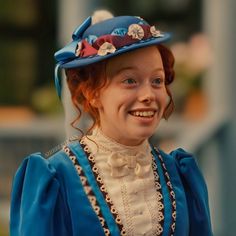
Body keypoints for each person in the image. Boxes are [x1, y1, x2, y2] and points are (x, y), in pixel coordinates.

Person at [10, 10, 213, 236]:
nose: (148, 94)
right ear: (92, 94)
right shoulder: (55, 178)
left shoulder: (181, 175)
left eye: (157, 80)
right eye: (129, 81)